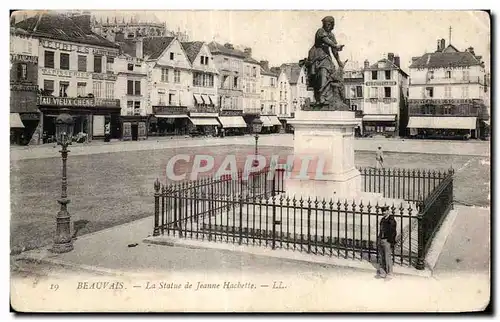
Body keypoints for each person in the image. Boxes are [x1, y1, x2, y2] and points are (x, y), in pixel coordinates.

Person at [305, 16, 348, 109]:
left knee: (329, 75)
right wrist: (335, 46)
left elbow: (334, 50)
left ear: (332, 25)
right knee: (322, 74)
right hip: (317, 56)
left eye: (329, 24)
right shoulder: (320, 31)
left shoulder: (331, 35)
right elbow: (326, 41)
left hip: (326, 57)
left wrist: (339, 61)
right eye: (326, 24)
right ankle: (320, 98)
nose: (327, 25)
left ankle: (326, 98)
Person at [377, 206, 397, 278]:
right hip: (381, 239)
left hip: (387, 240)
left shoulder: (391, 220)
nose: (383, 212)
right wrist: (379, 239)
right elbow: (380, 230)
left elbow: (393, 232)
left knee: (387, 256)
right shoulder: (382, 219)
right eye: (382, 211)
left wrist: (391, 242)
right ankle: (382, 272)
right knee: (381, 256)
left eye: (385, 211)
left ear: (388, 211)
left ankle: (390, 272)